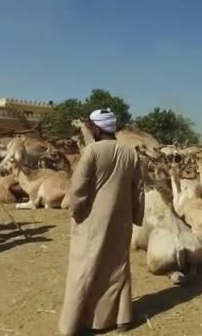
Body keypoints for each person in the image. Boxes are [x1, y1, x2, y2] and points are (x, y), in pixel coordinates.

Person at [58, 109, 145, 335]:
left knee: (85, 267)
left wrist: (77, 212)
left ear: (97, 128)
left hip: (93, 220)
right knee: (118, 267)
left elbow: (78, 188)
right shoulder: (131, 154)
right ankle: (122, 319)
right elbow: (138, 190)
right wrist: (137, 216)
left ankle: (73, 324)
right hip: (122, 219)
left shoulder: (92, 152)